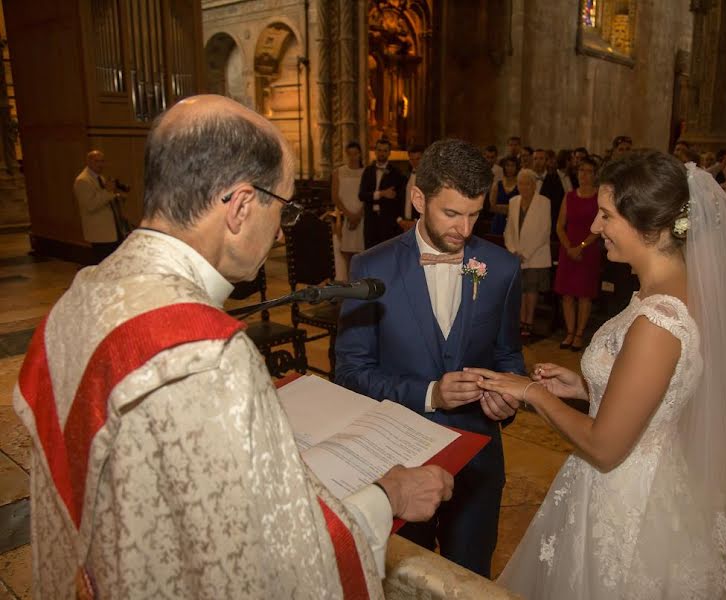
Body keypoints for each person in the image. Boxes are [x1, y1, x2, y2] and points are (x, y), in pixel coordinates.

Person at [14, 95, 453, 600]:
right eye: (282, 209)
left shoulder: (81, 296)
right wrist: (388, 495)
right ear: (243, 205)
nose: (279, 232)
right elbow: (275, 561)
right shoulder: (207, 354)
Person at [469, 152, 726, 598]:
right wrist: (584, 385)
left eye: (606, 215)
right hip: (645, 475)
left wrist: (534, 393)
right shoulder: (667, 289)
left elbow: (605, 446)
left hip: (627, 495)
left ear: (650, 230)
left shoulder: (659, 320)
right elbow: (662, 388)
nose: (595, 228)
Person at [335, 138, 526, 578]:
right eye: (451, 213)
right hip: (398, 461)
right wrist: (429, 394)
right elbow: (350, 373)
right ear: (419, 198)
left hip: (478, 463)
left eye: (475, 214)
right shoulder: (372, 268)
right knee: (404, 579)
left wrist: (507, 396)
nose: (464, 228)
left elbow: (508, 355)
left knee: (470, 577)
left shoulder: (500, 268)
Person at [554, 157, 602, 351]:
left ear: (595, 174)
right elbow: (559, 225)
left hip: (588, 250)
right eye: (581, 170)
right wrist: (569, 247)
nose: (584, 175)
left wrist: (580, 247)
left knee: (584, 295)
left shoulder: (599, 197)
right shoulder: (569, 196)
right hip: (568, 249)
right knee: (567, 294)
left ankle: (579, 334)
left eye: (588, 171)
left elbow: (598, 228)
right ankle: (569, 332)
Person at [504, 169, 553, 340]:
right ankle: (519, 321)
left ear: (534, 185)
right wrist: (513, 250)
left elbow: (544, 231)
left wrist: (525, 253)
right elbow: (509, 229)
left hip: (535, 255)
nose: (523, 187)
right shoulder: (513, 201)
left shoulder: (544, 202)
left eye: (527, 183)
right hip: (516, 254)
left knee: (531, 289)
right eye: (520, 183)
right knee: (519, 290)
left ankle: (528, 322)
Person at [73, 150, 123, 263]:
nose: (100, 165)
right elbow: (91, 205)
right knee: (103, 263)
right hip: (99, 232)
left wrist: (115, 196)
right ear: (89, 162)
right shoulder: (82, 181)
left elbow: (105, 197)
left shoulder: (100, 177)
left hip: (111, 230)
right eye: (97, 161)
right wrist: (108, 192)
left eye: (102, 161)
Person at [359, 138, 407, 249]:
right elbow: (362, 195)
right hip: (370, 221)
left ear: (389, 153)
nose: (382, 153)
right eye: (379, 150)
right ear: (375, 152)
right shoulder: (368, 171)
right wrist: (381, 194)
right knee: (370, 254)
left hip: (388, 222)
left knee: (387, 254)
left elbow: (399, 198)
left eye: (385, 151)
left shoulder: (397, 173)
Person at [332, 141, 366, 267]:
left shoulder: (366, 172)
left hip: (362, 217)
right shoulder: (338, 172)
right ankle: (349, 283)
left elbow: (367, 196)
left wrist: (357, 216)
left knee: (362, 253)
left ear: (360, 154)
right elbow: (335, 197)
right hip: (345, 217)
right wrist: (349, 215)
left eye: (355, 154)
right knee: (346, 253)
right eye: (349, 154)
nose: (353, 157)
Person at [489, 155, 519, 235]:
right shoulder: (497, 184)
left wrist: (500, 207)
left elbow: (520, 207)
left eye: (513, 165)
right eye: (507, 165)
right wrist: (510, 207)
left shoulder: (520, 185)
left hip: (514, 222)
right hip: (498, 221)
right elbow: (492, 207)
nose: (510, 168)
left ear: (517, 167)